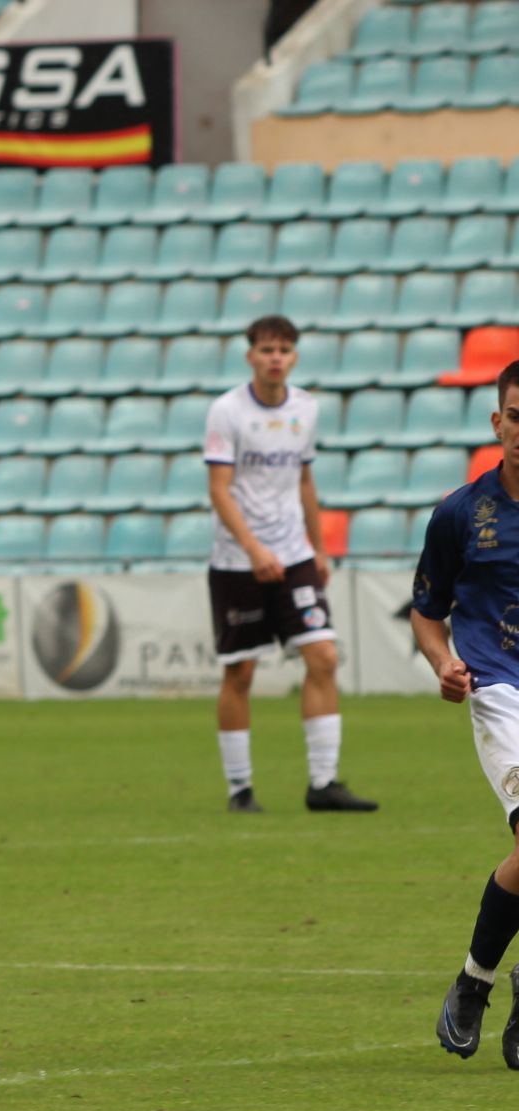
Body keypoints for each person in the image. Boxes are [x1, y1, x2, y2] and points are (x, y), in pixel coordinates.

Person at [205, 314, 376, 814]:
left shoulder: (306, 408)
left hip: (295, 553)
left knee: (323, 656)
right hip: (238, 559)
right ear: (250, 356)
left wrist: (318, 548)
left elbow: (304, 480)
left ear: (294, 356)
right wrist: (255, 549)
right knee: (240, 672)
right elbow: (219, 488)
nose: (275, 357)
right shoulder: (227, 411)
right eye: (266, 349)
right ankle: (240, 788)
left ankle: (322, 783)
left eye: (283, 349)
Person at [423, 361, 519, 1063]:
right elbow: (429, 615)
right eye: (518, 417)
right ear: (498, 423)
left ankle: (482, 980)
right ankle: (477, 986)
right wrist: (442, 664)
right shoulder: (461, 513)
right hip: (498, 688)